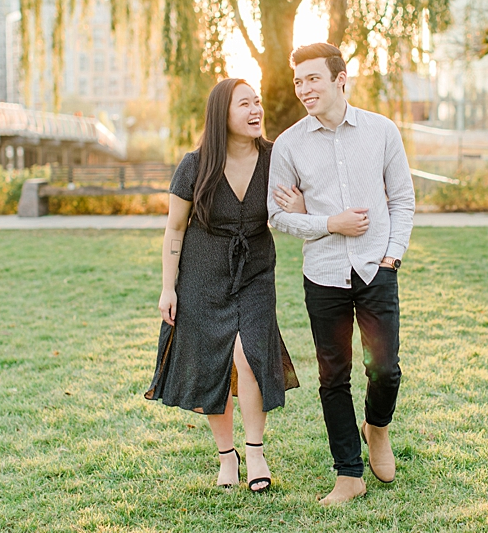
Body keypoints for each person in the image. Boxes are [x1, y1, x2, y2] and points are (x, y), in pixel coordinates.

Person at [268, 42, 414, 506]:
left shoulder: (381, 131)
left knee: (385, 369)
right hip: (324, 273)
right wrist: (328, 222)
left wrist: (392, 255)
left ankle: (378, 428)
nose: (303, 88)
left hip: (376, 268)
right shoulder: (289, 144)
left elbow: (402, 199)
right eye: (298, 81)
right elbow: (275, 215)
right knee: (334, 376)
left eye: (313, 78)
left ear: (339, 78)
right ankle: (348, 474)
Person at [145, 78, 299, 493]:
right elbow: (175, 229)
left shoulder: (274, 157)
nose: (255, 110)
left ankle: (255, 452)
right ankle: (226, 458)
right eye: (244, 104)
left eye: (257, 102)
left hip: (254, 270)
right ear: (222, 115)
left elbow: (299, 203)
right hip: (201, 273)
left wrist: (299, 205)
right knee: (215, 361)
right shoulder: (195, 165)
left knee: (248, 354)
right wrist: (168, 288)